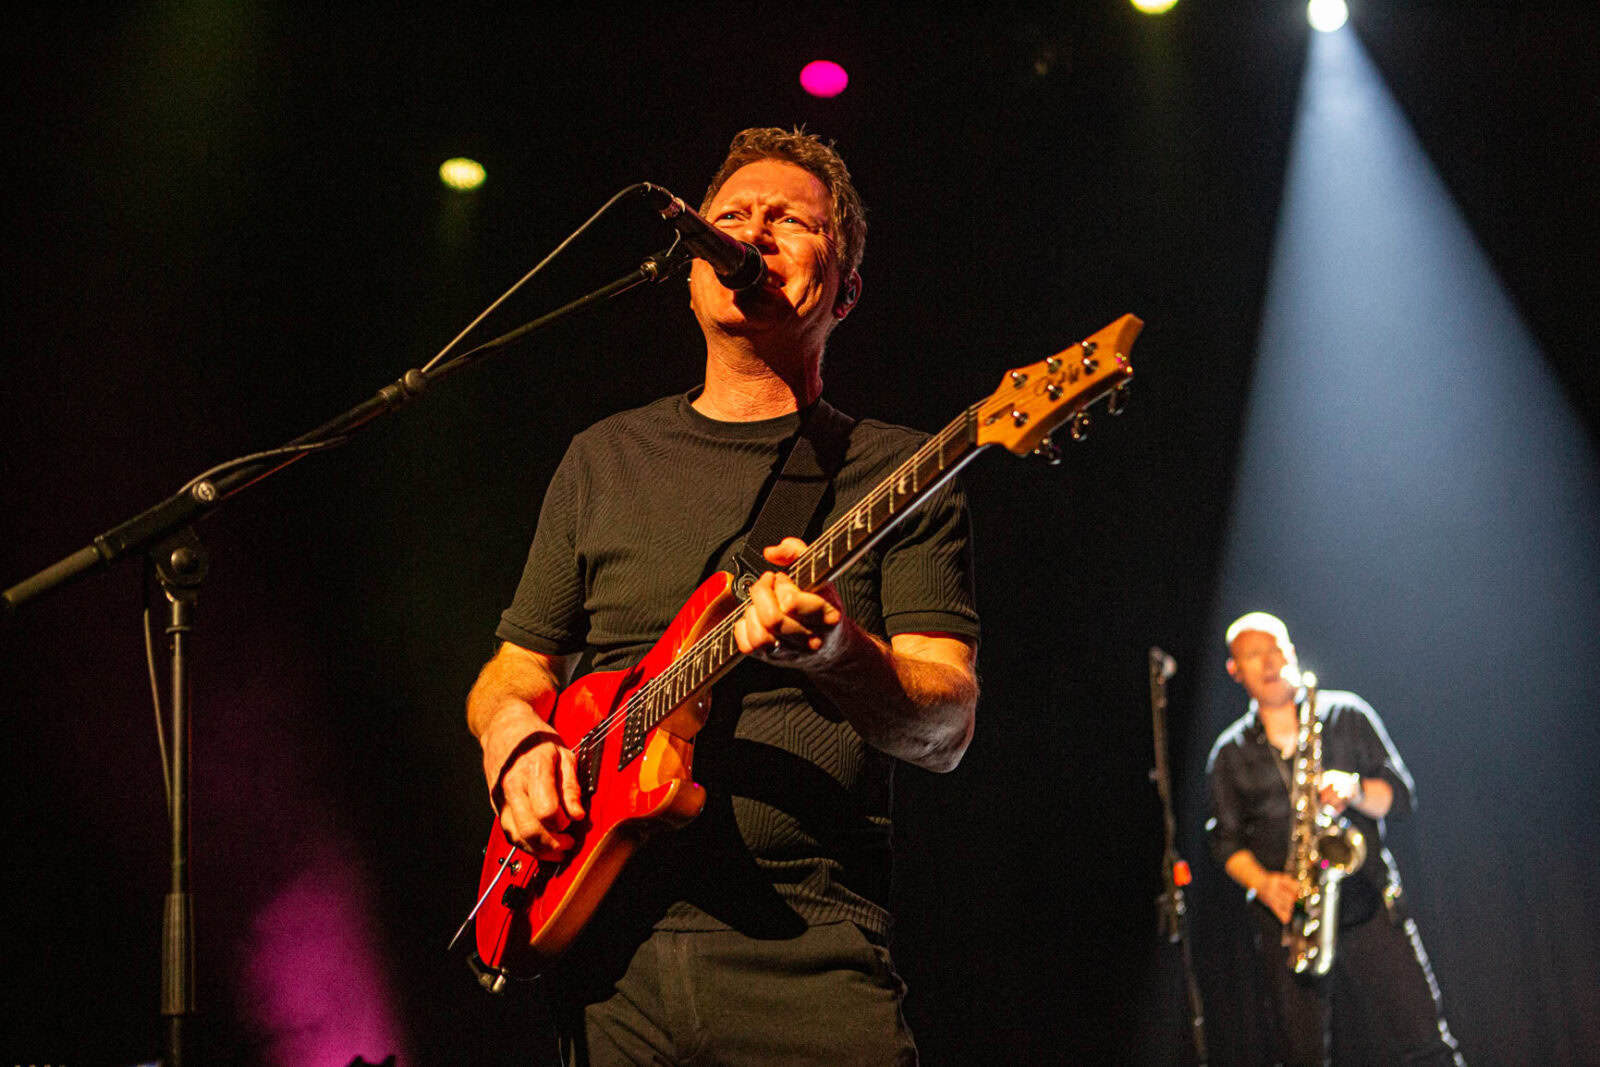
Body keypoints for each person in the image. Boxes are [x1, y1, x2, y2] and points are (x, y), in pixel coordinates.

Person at [465, 127, 981, 1065]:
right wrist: (516, 742)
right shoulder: (603, 458)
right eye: (732, 216)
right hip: (608, 957)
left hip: (806, 952)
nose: (753, 232)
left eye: (792, 221)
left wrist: (840, 652)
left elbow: (945, 727)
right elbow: (515, 668)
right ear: (694, 269)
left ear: (845, 290)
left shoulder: (899, 471)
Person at [1205, 611, 1463, 1066]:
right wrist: (1264, 884)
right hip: (1292, 924)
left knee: (1425, 1045)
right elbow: (1224, 842)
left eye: (1275, 649)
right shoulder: (1229, 753)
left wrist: (1356, 789)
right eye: (1253, 655)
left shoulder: (1346, 714)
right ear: (1234, 670)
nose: (1268, 662)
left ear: (1291, 652)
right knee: (1302, 1057)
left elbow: (1400, 796)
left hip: (1368, 905)